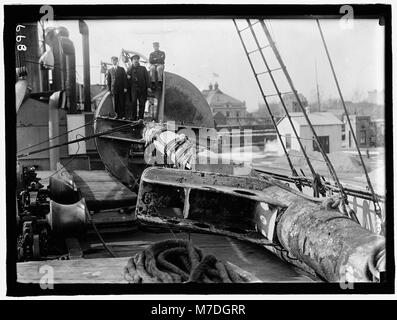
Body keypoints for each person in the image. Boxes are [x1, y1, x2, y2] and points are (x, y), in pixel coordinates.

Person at [127, 54, 151, 120]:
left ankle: (141, 118)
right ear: (132, 61)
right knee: (133, 103)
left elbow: (147, 78)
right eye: (134, 59)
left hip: (142, 89)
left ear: (138, 60)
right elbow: (127, 79)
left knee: (142, 103)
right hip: (133, 89)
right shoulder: (129, 69)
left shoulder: (143, 68)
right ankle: (134, 118)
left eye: (137, 59)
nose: (136, 60)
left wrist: (148, 87)